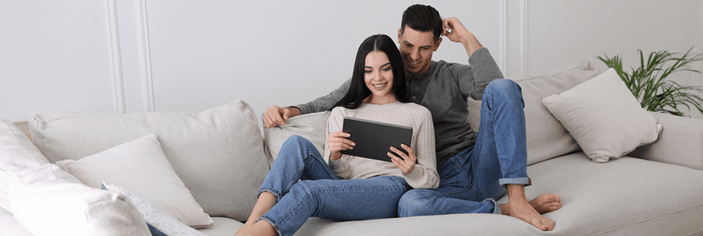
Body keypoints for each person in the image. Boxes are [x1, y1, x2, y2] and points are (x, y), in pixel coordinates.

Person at [261, 4, 562, 231]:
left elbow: (493, 88)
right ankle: (501, 211)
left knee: (504, 87)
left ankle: (518, 200)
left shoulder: (451, 73)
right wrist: (291, 110)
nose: (414, 56)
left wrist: (468, 38)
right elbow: (335, 98)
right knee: (410, 204)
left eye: (424, 48)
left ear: (437, 45)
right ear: (398, 37)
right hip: (436, 181)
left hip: (478, 165)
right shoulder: (384, 74)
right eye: (407, 46)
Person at [236, 34, 438, 236]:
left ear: (396, 68)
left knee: (307, 190)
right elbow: (340, 176)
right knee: (295, 143)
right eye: (368, 71)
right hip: (345, 189)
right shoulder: (342, 112)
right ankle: (251, 224)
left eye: (385, 69)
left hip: (388, 189)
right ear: (360, 73)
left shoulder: (418, 113)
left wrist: (411, 170)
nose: (377, 78)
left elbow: (433, 179)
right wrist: (334, 156)